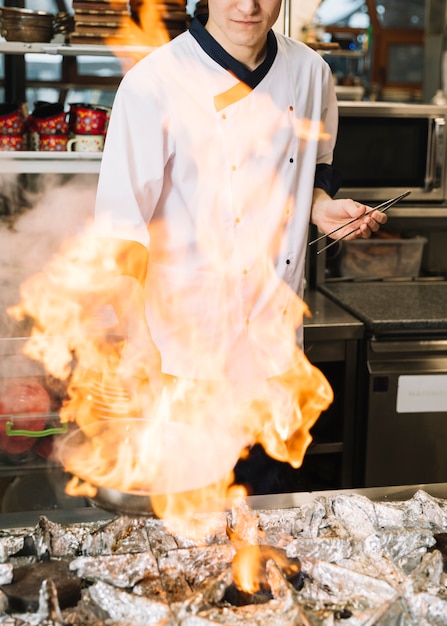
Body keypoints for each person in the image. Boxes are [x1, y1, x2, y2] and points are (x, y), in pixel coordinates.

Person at [93, 0, 387, 492]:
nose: (248, 6)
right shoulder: (153, 83)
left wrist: (319, 209)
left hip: (274, 359)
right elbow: (121, 233)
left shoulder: (311, 73)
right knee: (189, 535)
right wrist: (134, 343)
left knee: (265, 532)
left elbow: (310, 171)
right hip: (185, 364)